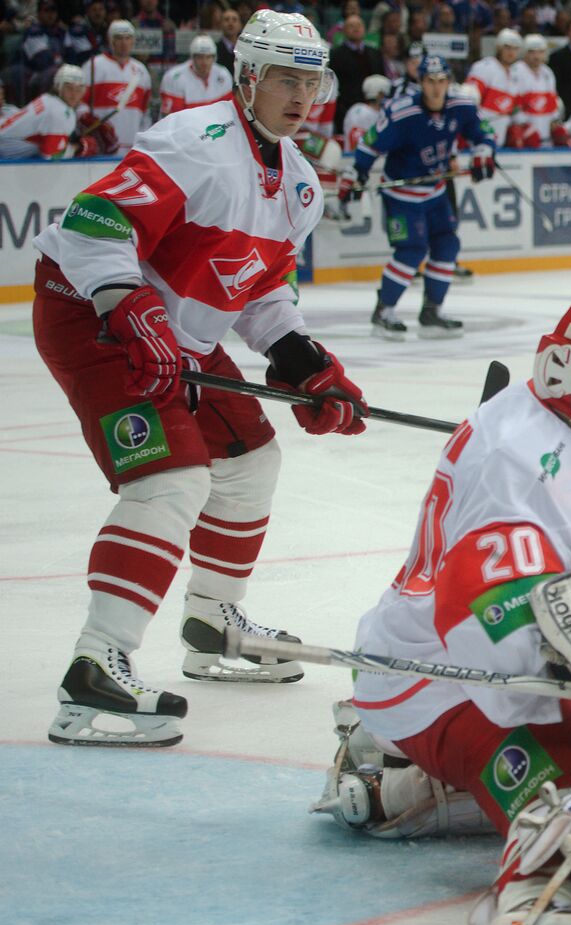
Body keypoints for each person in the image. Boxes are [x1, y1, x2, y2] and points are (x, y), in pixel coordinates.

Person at [314, 294, 571, 925]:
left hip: (470, 652)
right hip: (435, 676)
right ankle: (540, 898)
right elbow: (486, 636)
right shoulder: (517, 460)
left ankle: (413, 793)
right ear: (563, 375)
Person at [32, 10, 368, 749]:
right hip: (90, 314)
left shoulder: (301, 185)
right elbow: (95, 225)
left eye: (312, 80)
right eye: (286, 77)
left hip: (174, 333)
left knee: (250, 458)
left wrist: (305, 363)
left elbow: (256, 291)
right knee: (173, 478)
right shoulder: (197, 141)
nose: (302, 94)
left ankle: (214, 623)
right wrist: (129, 307)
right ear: (248, 77)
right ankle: (94, 670)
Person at [343, 54, 496, 341]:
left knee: (447, 244)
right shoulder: (402, 113)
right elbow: (370, 144)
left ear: (449, 81)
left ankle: (432, 311)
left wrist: (484, 152)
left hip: (435, 190)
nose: (436, 88)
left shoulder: (461, 106)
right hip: (402, 194)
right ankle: (384, 310)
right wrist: (357, 172)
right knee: (412, 251)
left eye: (441, 81)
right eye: (430, 81)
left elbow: (483, 132)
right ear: (420, 82)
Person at [84, 20, 152, 154]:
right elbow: (81, 106)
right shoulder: (93, 65)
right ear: (110, 40)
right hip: (101, 146)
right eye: (119, 38)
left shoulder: (141, 71)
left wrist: (144, 142)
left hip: (132, 147)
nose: (124, 43)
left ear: (133, 41)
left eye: (128, 38)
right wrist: (93, 128)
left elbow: (145, 113)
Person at [0, 64, 92, 159]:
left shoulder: (47, 99)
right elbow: (50, 157)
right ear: (58, 87)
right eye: (69, 87)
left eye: (79, 89)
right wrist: (77, 148)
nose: (74, 94)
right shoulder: (60, 112)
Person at [327, 13, 386, 133]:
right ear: (343, 31)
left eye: (359, 25)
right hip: (347, 111)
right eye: (351, 26)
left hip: (375, 111)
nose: (356, 28)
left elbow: (382, 79)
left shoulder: (375, 53)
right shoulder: (335, 55)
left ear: (364, 28)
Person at [158, 34, 233, 117]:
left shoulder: (223, 75)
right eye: (200, 57)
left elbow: (228, 112)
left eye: (208, 57)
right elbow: (170, 120)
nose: (204, 62)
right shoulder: (173, 78)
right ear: (192, 57)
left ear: (214, 58)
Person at [467, 28, 520, 143]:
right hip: (478, 139)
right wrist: (479, 127)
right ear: (498, 47)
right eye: (507, 47)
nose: (511, 52)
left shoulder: (515, 75)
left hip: (499, 140)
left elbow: (511, 109)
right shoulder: (484, 67)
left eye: (515, 48)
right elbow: (468, 101)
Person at [508, 32, 560, 147]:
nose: (536, 56)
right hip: (524, 136)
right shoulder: (516, 71)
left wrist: (555, 122)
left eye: (540, 52)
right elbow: (514, 105)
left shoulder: (548, 73)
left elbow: (552, 103)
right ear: (524, 52)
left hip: (546, 137)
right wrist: (522, 126)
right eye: (532, 52)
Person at [343, 73, 389, 151]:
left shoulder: (355, 109)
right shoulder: (362, 113)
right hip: (360, 158)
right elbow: (357, 144)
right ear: (380, 94)